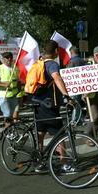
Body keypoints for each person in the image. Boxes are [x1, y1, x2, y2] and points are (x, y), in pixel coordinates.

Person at [32, 42, 72, 173]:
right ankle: (64, 164)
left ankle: (39, 161)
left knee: (40, 133)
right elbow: (57, 78)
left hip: (37, 103)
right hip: (49, 105)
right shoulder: (53, 64)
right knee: (59, 134)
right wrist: (67, 96)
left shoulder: (39, 63)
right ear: (55, 51)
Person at [0, 52, 20, 127]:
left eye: (10, 57)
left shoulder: (15, 68)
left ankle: (11, 130)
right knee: (7, 114)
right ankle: (8, 131)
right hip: (3, 95)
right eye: (7, 58)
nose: (9, 59)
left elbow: (18, 81)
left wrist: (20, 91)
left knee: (12, 114)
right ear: (3, 59)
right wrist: (4, 84)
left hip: (14, 94)